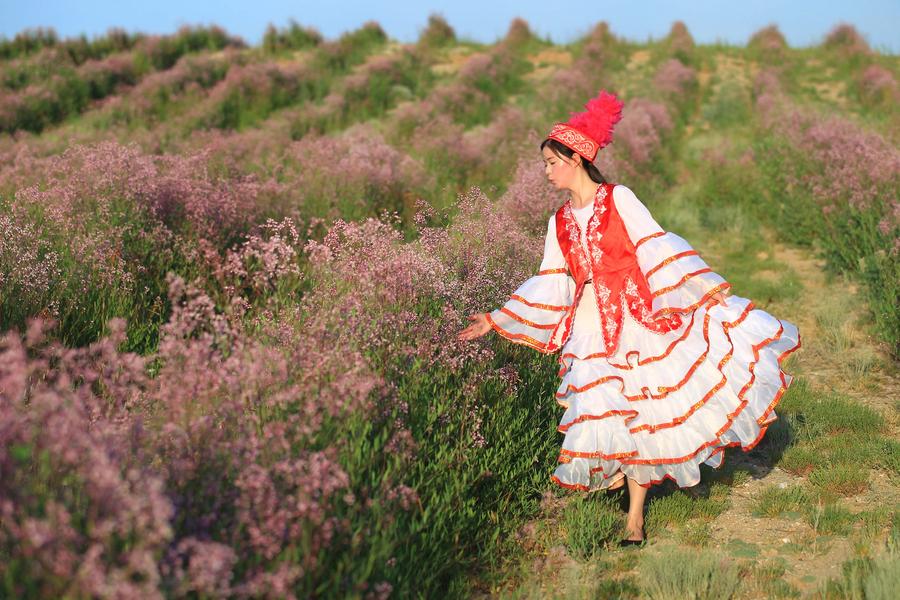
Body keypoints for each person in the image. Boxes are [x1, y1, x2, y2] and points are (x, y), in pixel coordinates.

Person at [457, 90, 801, 546]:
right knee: (601, 407)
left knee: (642, 409)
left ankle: (634, 519)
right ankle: (616, 476)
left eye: (551, 162)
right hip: (588, 326)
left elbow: (654, 244)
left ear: (576, 159)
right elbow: (551, 279)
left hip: (634, 315)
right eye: (544, 163)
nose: (546, 171)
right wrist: (497, 318)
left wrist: (695, 289)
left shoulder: (619, 198)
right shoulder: (558, 222)